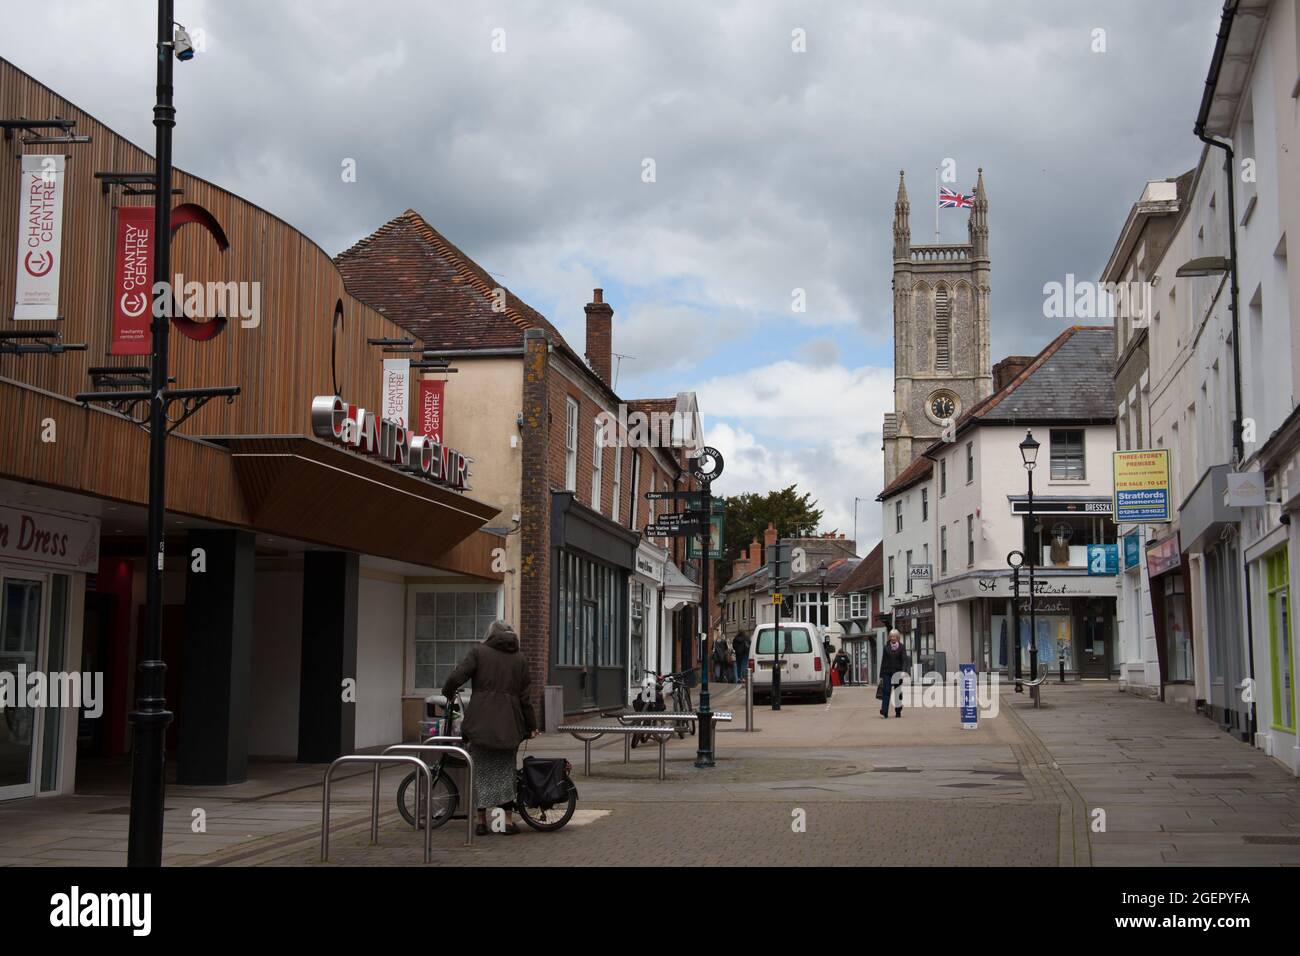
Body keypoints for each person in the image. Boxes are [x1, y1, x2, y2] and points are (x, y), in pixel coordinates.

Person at [441, 620, 538, 836]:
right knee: (506, 772)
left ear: (491, 634)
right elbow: (525, 698)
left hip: (480, 723)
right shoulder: (520, 659)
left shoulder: (479, 652)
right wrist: (532, 725)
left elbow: (458, 675)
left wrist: (448, 691)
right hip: (509, 725)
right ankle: (507, 823)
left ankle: (481, 821)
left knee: (480, 772)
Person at [878, 629, 910, 719]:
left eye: (894, 636)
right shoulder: (886, 647)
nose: (892, 638)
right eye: (891, 636)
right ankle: (884, 711)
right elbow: (883, 661)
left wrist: (903, 671)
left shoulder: (901, 647)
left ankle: (898, 710)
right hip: (887, 672)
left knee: (897, 692)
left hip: (898, 672)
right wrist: (881, 675)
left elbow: (904, 660)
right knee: (886, 691)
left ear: (897, 637)